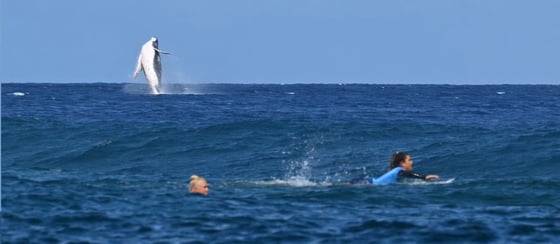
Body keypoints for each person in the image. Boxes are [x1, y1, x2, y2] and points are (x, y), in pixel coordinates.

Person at [351, 152, 439, 185]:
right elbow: (406, 174)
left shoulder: (396, 170)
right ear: (402, 163)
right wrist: (423, 177)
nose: (411, 162)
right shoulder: (399, 170)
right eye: (409, 160)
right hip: (366, 183)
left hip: (366, 181)